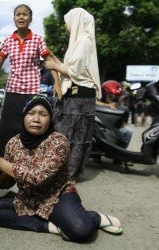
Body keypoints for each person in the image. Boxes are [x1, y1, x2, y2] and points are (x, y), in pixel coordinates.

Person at [0, 95, 123, 243]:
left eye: (43, 114)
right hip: (27, 198)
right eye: (31, 113)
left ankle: (94, 217)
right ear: (24, 116)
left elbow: (38, 177)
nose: (36, 119)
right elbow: (4, 184)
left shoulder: (58, 141)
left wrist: (0, 163)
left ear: (50, 118)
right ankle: (49, 226)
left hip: (57, 197)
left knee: (80, 231)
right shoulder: (13, 143)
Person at [0, 4, 59, 158]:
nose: (21, 17)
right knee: (6, 127)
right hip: (12, 89)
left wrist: (57, 82)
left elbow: (48, 61)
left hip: (30, 91)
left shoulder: (37, 40)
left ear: (30, 19)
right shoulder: (9, 40)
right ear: (14, 18)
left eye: (25, 14)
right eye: (18, 14)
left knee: (28, 126)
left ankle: (30, 159)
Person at [44, 7, 102, 180]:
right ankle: (64, 173)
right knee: (67, 135)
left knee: (73, 137)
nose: (66, 27)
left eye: (67, 23)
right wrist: (52, 56)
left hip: (80, 97)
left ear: (76, 22)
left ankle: (68, 175)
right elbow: (69, 68)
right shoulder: (79, 42)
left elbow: (73, 72)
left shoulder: (84, 41)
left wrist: (54, 66)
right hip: (76, 96)